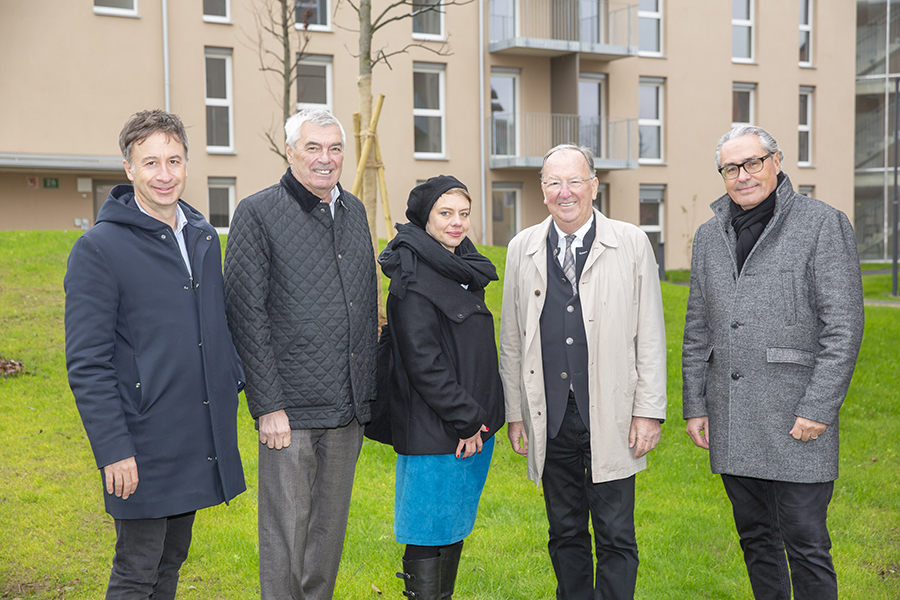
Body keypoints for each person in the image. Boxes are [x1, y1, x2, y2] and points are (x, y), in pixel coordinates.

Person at [64, 109, 246, 599]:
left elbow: (214, 328)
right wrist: (114, 449)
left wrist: (234, 378)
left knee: (171, 563)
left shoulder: (204, 237)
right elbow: (87, 363)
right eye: (150, 163)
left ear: (187, 164)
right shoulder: (98, 249)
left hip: (196, 432)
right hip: (142, 441)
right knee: (136, 570)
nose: (164, 175)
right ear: (129, 169)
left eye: (174, 160)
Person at [681, 125, 864, 599]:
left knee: (806, 544)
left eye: (752, 163)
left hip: (796, 418)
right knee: (757, 541)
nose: (742, 176)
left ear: (776, 162)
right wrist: (695, 404)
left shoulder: (822, 223)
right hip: (732, 416)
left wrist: (819, 407)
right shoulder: (708, 235)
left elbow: (843, 326)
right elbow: (698, 327)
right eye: (730, 168)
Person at [498, 144, 667, 600]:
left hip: (612, 414)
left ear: (594, 185)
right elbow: (512, 338)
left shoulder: (631, 242)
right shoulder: (521, 248)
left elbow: (650, 332)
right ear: (542, 191)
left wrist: (648, 411)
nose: (565, 192)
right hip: (550, 418)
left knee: (615, 534)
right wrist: (516, 412)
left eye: (575, 181)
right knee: (565, 532)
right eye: (554, 183)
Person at [224, 108, 378, 600]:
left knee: (327, 534)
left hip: (347, 406)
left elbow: (363, 301)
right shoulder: (257, 212)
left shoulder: (354, 211)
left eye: (334, 148)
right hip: (288, 410)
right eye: (313, 147)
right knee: (285, 534)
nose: (325, 158)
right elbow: (246, 315)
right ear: (289, 151)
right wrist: (268, 406)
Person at [377, 176, 505, 600]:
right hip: (441, 430)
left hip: (469, 429)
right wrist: (467, 419)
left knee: (451, 527)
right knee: (428, 531)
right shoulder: (413, 277)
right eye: (445, 213)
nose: (457, 223)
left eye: (463, 213)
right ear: (424, 218)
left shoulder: (459, 267)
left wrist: (480, 420)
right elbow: (423, 363)